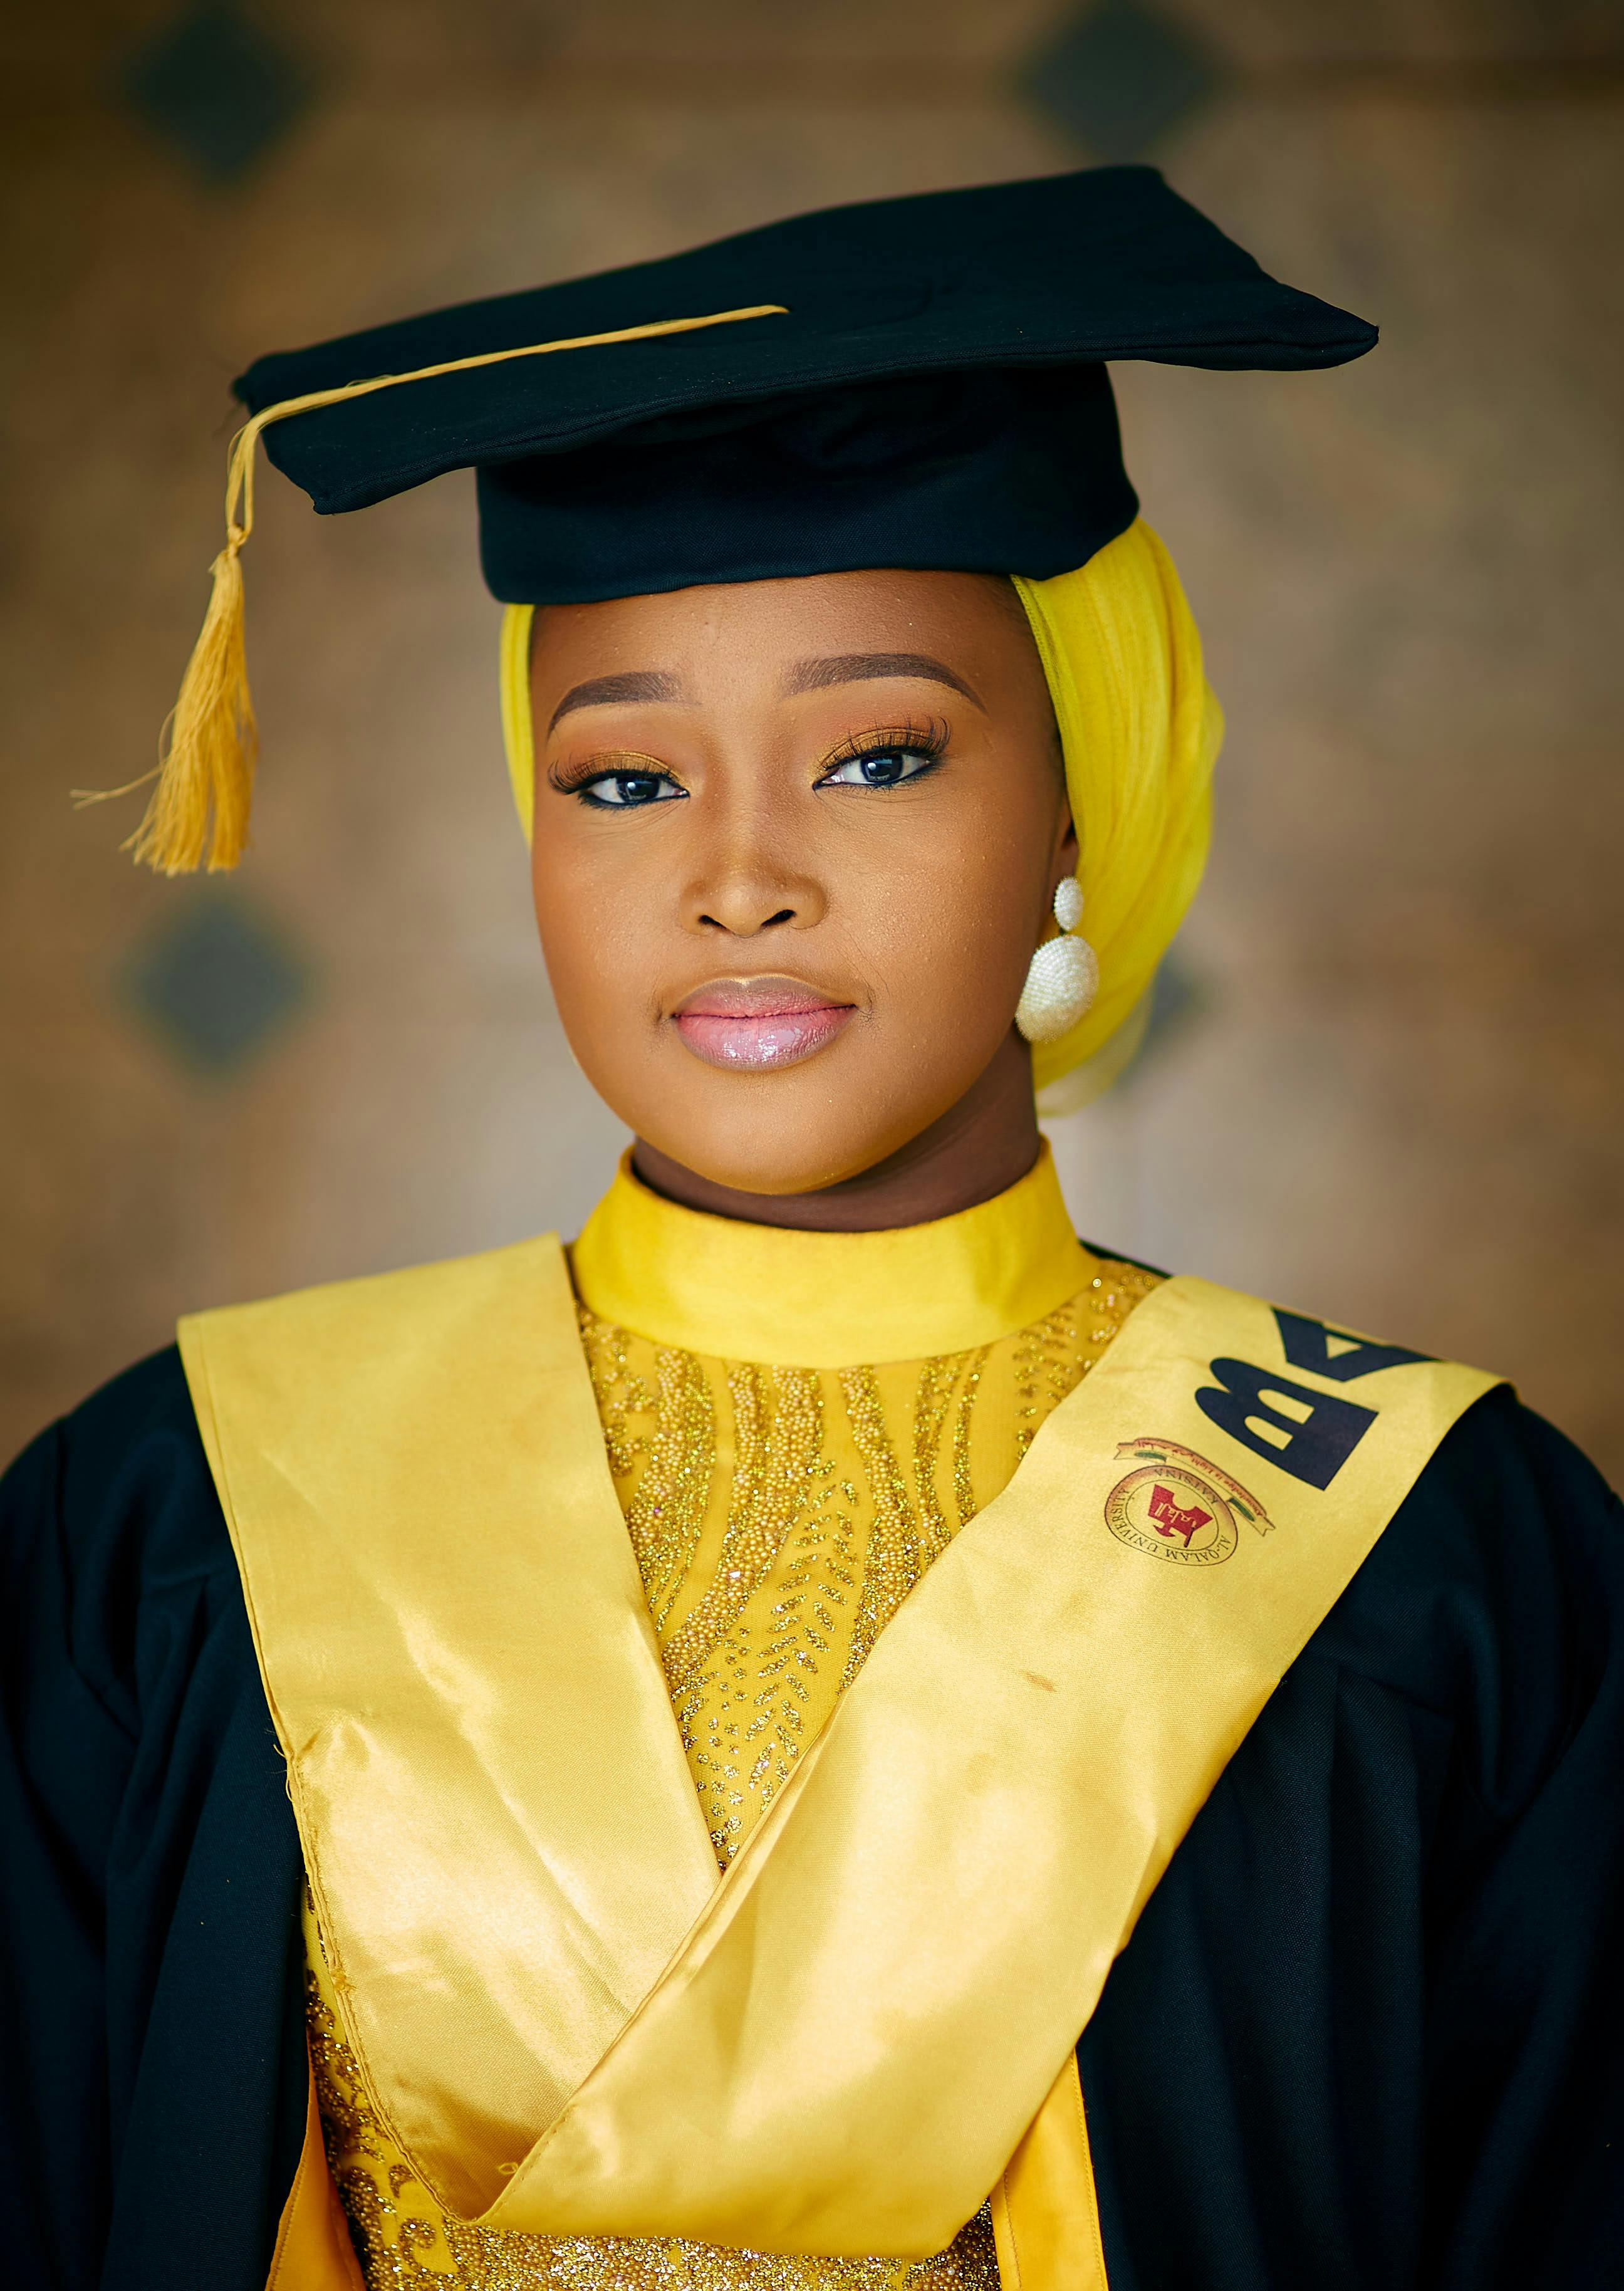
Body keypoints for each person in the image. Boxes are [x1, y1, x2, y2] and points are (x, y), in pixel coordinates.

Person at [3, 168, 1619, 2291]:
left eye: (874, 757)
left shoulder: (1436, 1556)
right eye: (620, 782)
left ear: (1070, 798)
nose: (737, 877)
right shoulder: (170, 1515)